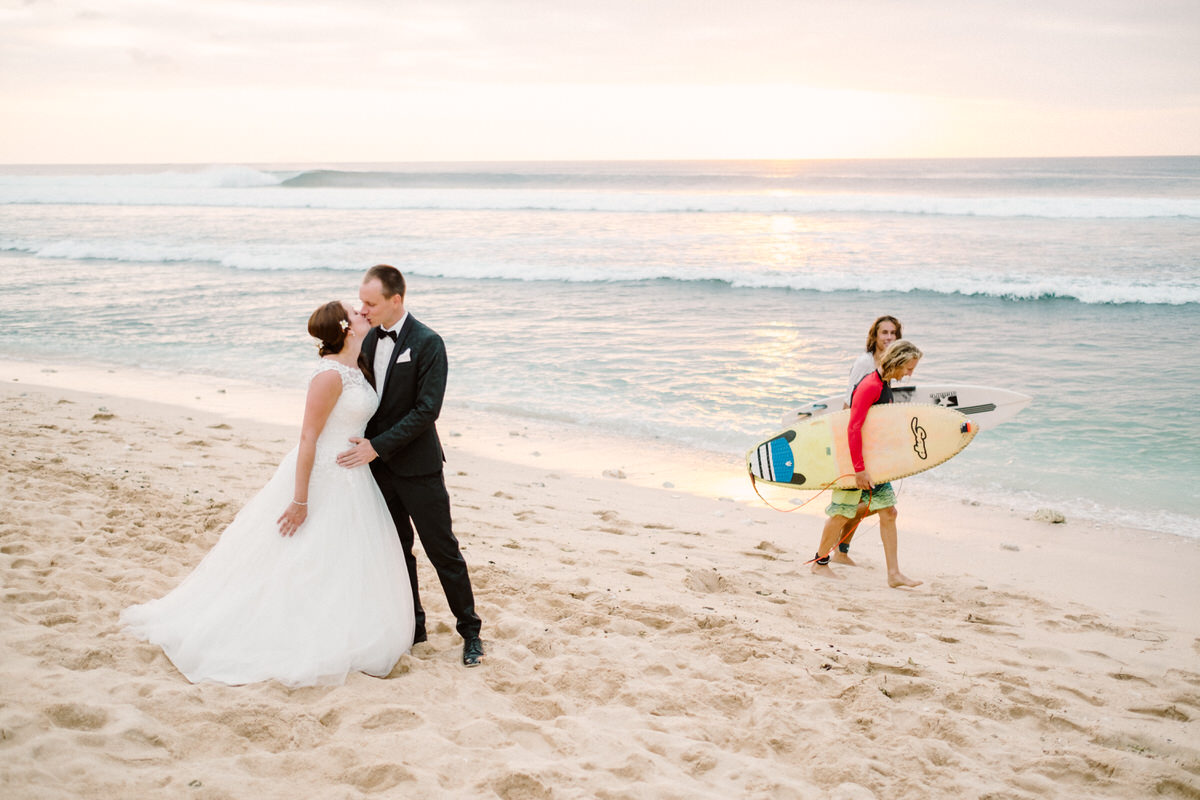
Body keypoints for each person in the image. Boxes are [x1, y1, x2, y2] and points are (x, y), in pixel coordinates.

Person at [121, 301, 416, 686]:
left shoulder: (358, 366)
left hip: (354, 477)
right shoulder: (328, 376)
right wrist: (299, 499)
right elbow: (309, 437)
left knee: (342, 557)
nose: (364, 313)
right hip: (322, 475)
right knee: (300, 555)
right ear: (344, 328)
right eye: (355, 312)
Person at [337, 265, 484, 668]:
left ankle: (470, 632)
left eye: (371, 303)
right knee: (397, 551)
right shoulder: (363, 340)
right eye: (361, 302)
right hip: (377, 471)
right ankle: (414, 626)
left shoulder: (428, 342)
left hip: (417, 468)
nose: (363, 310)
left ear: (396, 300)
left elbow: (426, 411)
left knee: (443, 551)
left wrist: (377, 447)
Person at [811, 339, 923, 588]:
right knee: (841, 514)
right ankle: (820, 564)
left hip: (875, 465)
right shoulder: (870, 385)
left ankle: (894, 575)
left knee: (889, 512)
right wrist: (859, 468)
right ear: (897, 362)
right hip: (854, 463)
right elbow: (853, 426)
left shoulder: (884, 384)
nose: (910, 374)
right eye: (909, 368)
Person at [834, 314, 902, 565]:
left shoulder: (890, 363)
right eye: (884, 332)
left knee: (865, 502)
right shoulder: (865, 363)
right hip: (859, 440)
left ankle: (840, 550)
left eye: (893, 333)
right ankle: (835, 551)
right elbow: (851, 401)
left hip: (873, 443)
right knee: (863, 503)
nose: (888, 337)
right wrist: (846, 443)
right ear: (874, 336)